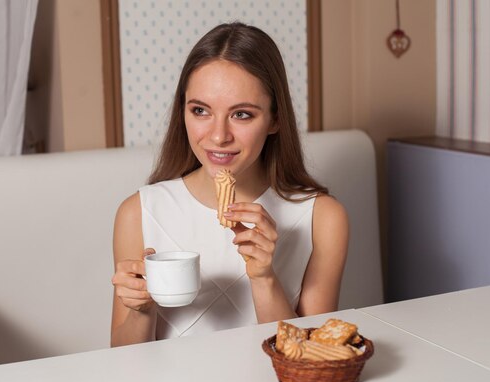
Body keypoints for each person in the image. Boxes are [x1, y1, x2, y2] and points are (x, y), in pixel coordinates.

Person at [111, 22, 348, 347]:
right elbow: (123, 359)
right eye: (200, 111)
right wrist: (140, 310)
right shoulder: (139, 212)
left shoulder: (323, 217)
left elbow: (311, 354)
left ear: (276, 119)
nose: (219, 136)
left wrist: (264, 278)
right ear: (183, 112)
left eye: (242, 115)